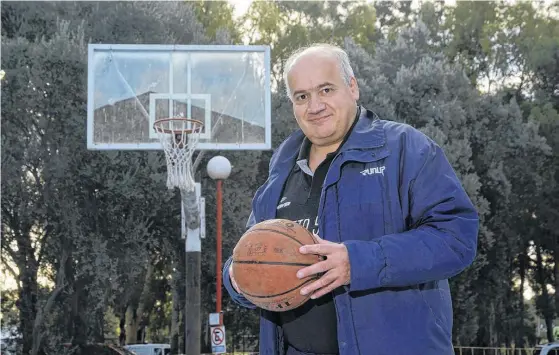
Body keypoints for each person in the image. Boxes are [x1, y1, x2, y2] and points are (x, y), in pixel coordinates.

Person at [222, 43, 479, 355]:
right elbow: (253, 251)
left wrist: (357, 263)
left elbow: (456, 239)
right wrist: (237, 277)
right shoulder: (282, 166)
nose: (314, 106)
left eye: (326, 89)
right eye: (301, 96)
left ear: (352, 87)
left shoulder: (406, 148)